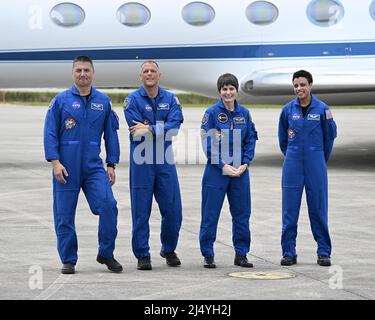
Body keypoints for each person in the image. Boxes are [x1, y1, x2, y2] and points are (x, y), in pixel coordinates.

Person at [43, 56, 122, 274]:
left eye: (86, 70)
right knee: (64, 215)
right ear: (72, 73)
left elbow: (111, 136)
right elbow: (50, 133)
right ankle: (69, 259)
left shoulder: (103, 101)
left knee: (108, 205)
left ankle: (106, 253)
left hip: (92, 167)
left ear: (93, 73)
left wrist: (111, 164)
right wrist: (55, 162)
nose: (82, 74)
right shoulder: (61, 101)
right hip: (65, 168)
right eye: (78, 70)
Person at [124, 60, 184, 270]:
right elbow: (136, 130)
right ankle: (142, 254)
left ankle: (168, 249)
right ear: (141, 76)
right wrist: (160, 128)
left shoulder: (170, 98)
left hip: (164, 160)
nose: (149, 74)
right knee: (141, 210)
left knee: (173, 209)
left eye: (153, 71)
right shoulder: (132, 100)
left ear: (160, 75)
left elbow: (175, 127)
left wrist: (149, 129)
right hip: (142, 161)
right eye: (145, 71)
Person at [278, 70, 337, 267]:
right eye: (296, 85)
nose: (299, 88)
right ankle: (288, 252)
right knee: (289, 211)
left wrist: (319, 158)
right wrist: (293, 156)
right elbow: (283, 140)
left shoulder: (323, 109)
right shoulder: (287, 110)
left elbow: (329, 138)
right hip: (292, 163)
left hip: (315, 162)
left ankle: (323, 252)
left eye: (303, 84)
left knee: (318, 209)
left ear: (310, 85)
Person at [199, 73, 258, 268]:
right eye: (224, 89)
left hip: (240, 172)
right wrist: (223, 165)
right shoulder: (211, 113)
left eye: (231, 88)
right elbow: (208, 144)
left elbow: (250, 139)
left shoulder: (245, 113)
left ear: (236, 91)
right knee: (210, 214)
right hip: (216, 171)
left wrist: (245, 163)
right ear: (219, 91)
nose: (228, 92)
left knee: (242, 214)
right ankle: (208, 254)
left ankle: (241, 254)